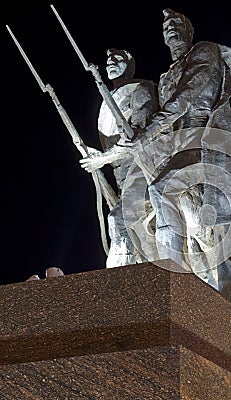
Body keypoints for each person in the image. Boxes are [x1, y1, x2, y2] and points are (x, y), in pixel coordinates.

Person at [121, 9, 231, 298]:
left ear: (189, 32)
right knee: (147, 199)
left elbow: (185, 99)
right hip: (177, 144)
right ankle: (178, 271)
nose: (171, 29)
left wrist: (147, 133)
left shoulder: (203, 52)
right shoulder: (166, 75)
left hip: (205, 138)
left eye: (177, 24)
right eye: (166, 26)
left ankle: (181, 277)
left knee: (163, 190)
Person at [80, 48, 158, 268]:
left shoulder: (142, 89)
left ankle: (118, 280)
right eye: (108, 60)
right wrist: (96, 155)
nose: (110, 62)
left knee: (119, 219)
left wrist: (102, 159)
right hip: (121, 177)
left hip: (144, 170)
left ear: (130, 65)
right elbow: (110, 141)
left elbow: (139, 136)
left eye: (117, 59)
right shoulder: (108, 101)